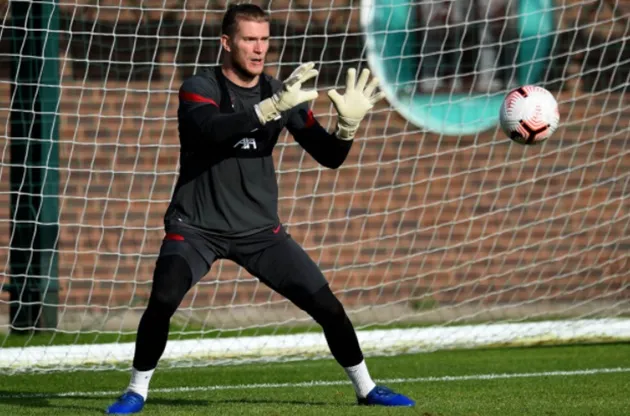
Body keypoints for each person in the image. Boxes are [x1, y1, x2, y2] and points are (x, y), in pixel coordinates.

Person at [106, 3, 415, 414]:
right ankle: (136, 391)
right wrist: (269, 109)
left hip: (259, 232)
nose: (258, 49)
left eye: (264, 39)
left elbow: (328, 156)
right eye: (249, 39)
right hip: (197, 227)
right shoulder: (199, 86)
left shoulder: (280, 92)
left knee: (327, 307)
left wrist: (347, 128)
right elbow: (211, 130)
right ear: (226, 42)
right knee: (163, 298)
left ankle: (366, 387)